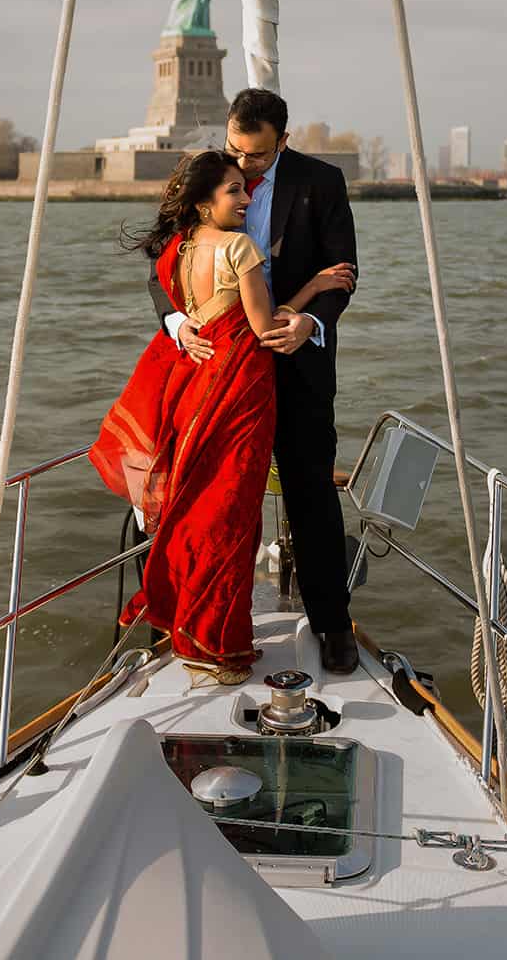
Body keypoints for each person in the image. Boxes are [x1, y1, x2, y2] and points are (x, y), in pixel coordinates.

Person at [89, 149, 355, 682]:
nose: (246, 190)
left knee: (212, 504)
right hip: (243, 390)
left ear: (281, 139)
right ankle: (217, 639)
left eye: (249, 173)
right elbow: (263, 327)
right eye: (234, 186)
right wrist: (312, 291)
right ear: (206, 201)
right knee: (231, 515)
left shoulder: (199, 237)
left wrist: (313, 314)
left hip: (204, 387)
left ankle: (319, 626)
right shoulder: (237, 244)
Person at [152, 90, 361, 674]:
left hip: (298, 364)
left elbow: (344, 270)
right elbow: (162, 263)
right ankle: (197, 619)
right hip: (221, 371)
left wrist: (310, 322)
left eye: (259, 158)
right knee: (215, 498)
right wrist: (175, 320)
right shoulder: (210, 178)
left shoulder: (323, 182)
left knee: (311, 492)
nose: (244, 169)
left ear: (284, 142)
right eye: (236, 153)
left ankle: (332, 623)